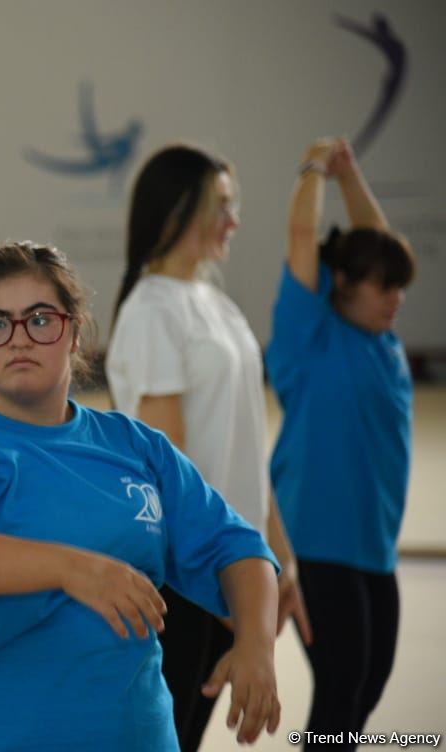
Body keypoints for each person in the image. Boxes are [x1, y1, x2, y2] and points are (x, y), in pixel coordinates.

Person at [0, 241, 281, 751]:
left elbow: (238, 549)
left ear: (74, 331)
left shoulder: (136, 447)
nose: (19, 339)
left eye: (40, 320)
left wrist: (257, 646)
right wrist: (73, 569)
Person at [105, 144, 310, 750]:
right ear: (176, 211)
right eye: (220, 205)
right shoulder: (151, 312)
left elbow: (245, 441)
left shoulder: (215, 303)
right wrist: (221, 589)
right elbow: (171, 473)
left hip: (229, 569)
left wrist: (277, 554)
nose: (234, 219)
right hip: (187, 579)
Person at [266, 138, 414, 750]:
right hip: (316, 542)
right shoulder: (310, 335)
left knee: (366, 689)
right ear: (343, 282)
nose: (396, 298)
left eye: (399, 287)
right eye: (384, 287)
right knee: (342, 688)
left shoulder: (383, 340)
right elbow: (303, 236)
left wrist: (352, 177)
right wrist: (315, 169)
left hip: (374, 547)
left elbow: (376, 242)